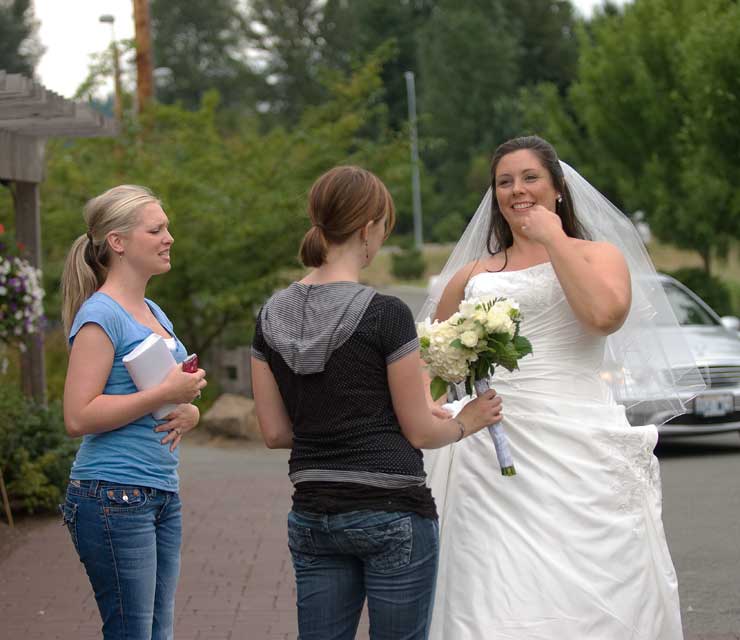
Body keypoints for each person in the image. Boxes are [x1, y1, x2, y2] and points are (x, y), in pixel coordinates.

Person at [420, 136, 703, 639]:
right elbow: (434, 368)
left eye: (530, 178)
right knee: (493, 587)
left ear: (558, 188)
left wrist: (553, 240)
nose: (516, 190)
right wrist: (434, 417)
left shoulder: (599, 255)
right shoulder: (472, 275)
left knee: (595, 584)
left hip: (579, 438)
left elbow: (602, 316)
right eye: (504, 181)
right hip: (490, 450)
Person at [250, 165, 503, 640]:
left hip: (313, 512)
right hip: (390, 508)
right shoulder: (385, 314)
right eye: (384, 228)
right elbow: (421, 432)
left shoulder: (269, 316)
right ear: (367, 228)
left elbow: (275, 433)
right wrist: (469, 419)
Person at [59, 185, 207, 640]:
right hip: (112, 496)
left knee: (156, 633)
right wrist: (163, 392)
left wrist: (189, 411)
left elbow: (167, 394)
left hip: (159, 493)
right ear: (118, 242)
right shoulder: (100, 315)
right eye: (156, 229)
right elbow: (78, 416)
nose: (169, 238)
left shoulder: (152, 310)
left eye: (167, 228)